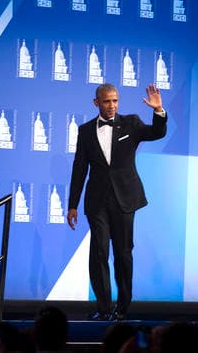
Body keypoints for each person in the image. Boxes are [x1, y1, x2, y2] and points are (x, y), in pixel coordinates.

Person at [67, 83, 167, 321]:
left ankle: (122, 308)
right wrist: (72, 204)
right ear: (96, 103)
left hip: (125, 198)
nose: (111, 106)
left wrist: (159, 111)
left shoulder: (131, 123)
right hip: (97, 201)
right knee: (99, 252)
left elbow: (156, 133)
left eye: (115, 101)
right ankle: (103, 308)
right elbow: (79, 168)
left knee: (123, 253)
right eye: (106, 101)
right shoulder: (86, 131)